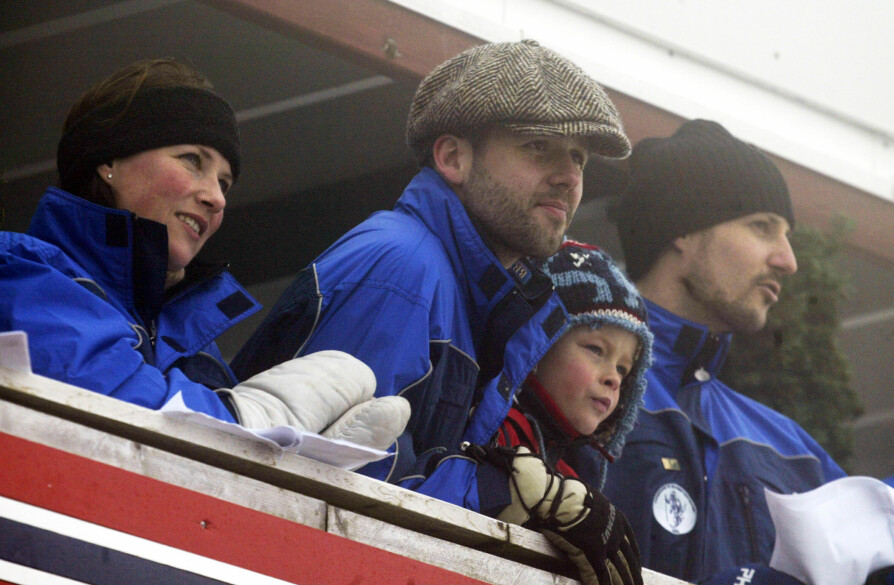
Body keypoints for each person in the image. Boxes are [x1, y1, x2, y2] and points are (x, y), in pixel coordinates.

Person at [232, 39, 631, 509]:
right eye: (539, 147)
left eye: (579, 158)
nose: (569, 177)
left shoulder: (463, 291)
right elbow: (342, 498)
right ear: (452, 158)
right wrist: (507, 498)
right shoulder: (403, 272)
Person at [0, 59, 408, 448]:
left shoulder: (198, 350)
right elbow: (103, 397)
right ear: (108, 159)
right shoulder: (20, 271)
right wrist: (244, 417)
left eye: (225, 184)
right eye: (192, 161)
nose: (215, 198)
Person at [602, 119, 847, 585]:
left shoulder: (796, 452)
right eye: (762, 227)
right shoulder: (573, 388)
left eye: (786, 234)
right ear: (682, 232)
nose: (787, 260)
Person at [468, 239, 654, 585]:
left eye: (625, 369)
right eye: (596, 349)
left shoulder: (575, 478)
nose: (613, 377)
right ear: (539, 344)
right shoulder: (491, 426)